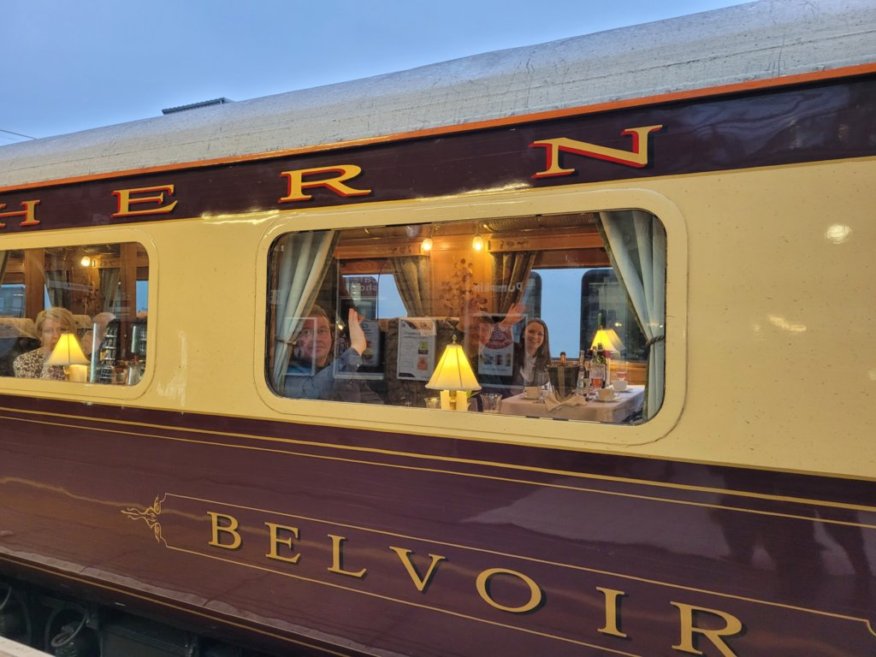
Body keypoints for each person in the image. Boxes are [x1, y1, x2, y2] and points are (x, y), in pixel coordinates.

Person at [282, 305, 381, 402]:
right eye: (306, 332)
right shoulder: (289, 373)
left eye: (321, 331)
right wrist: (356, 349)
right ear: (295, 339)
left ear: (331, 336)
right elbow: (310, 393)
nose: (316, 339)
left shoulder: (346, 372)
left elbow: (376, 405)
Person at [13, 307, 77, 380]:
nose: (56, 336)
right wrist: (50, 358)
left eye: (62, 330)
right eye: (49, 331)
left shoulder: (80, 361)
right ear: (40, 335)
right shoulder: (24, 361)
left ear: (72, 332)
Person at [512, 318, 552, 387]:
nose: (535, 336)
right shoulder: (512, 354)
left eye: (540, 334)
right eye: (531, 331)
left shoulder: (546, 362)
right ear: (523, 334)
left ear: (544, 339)